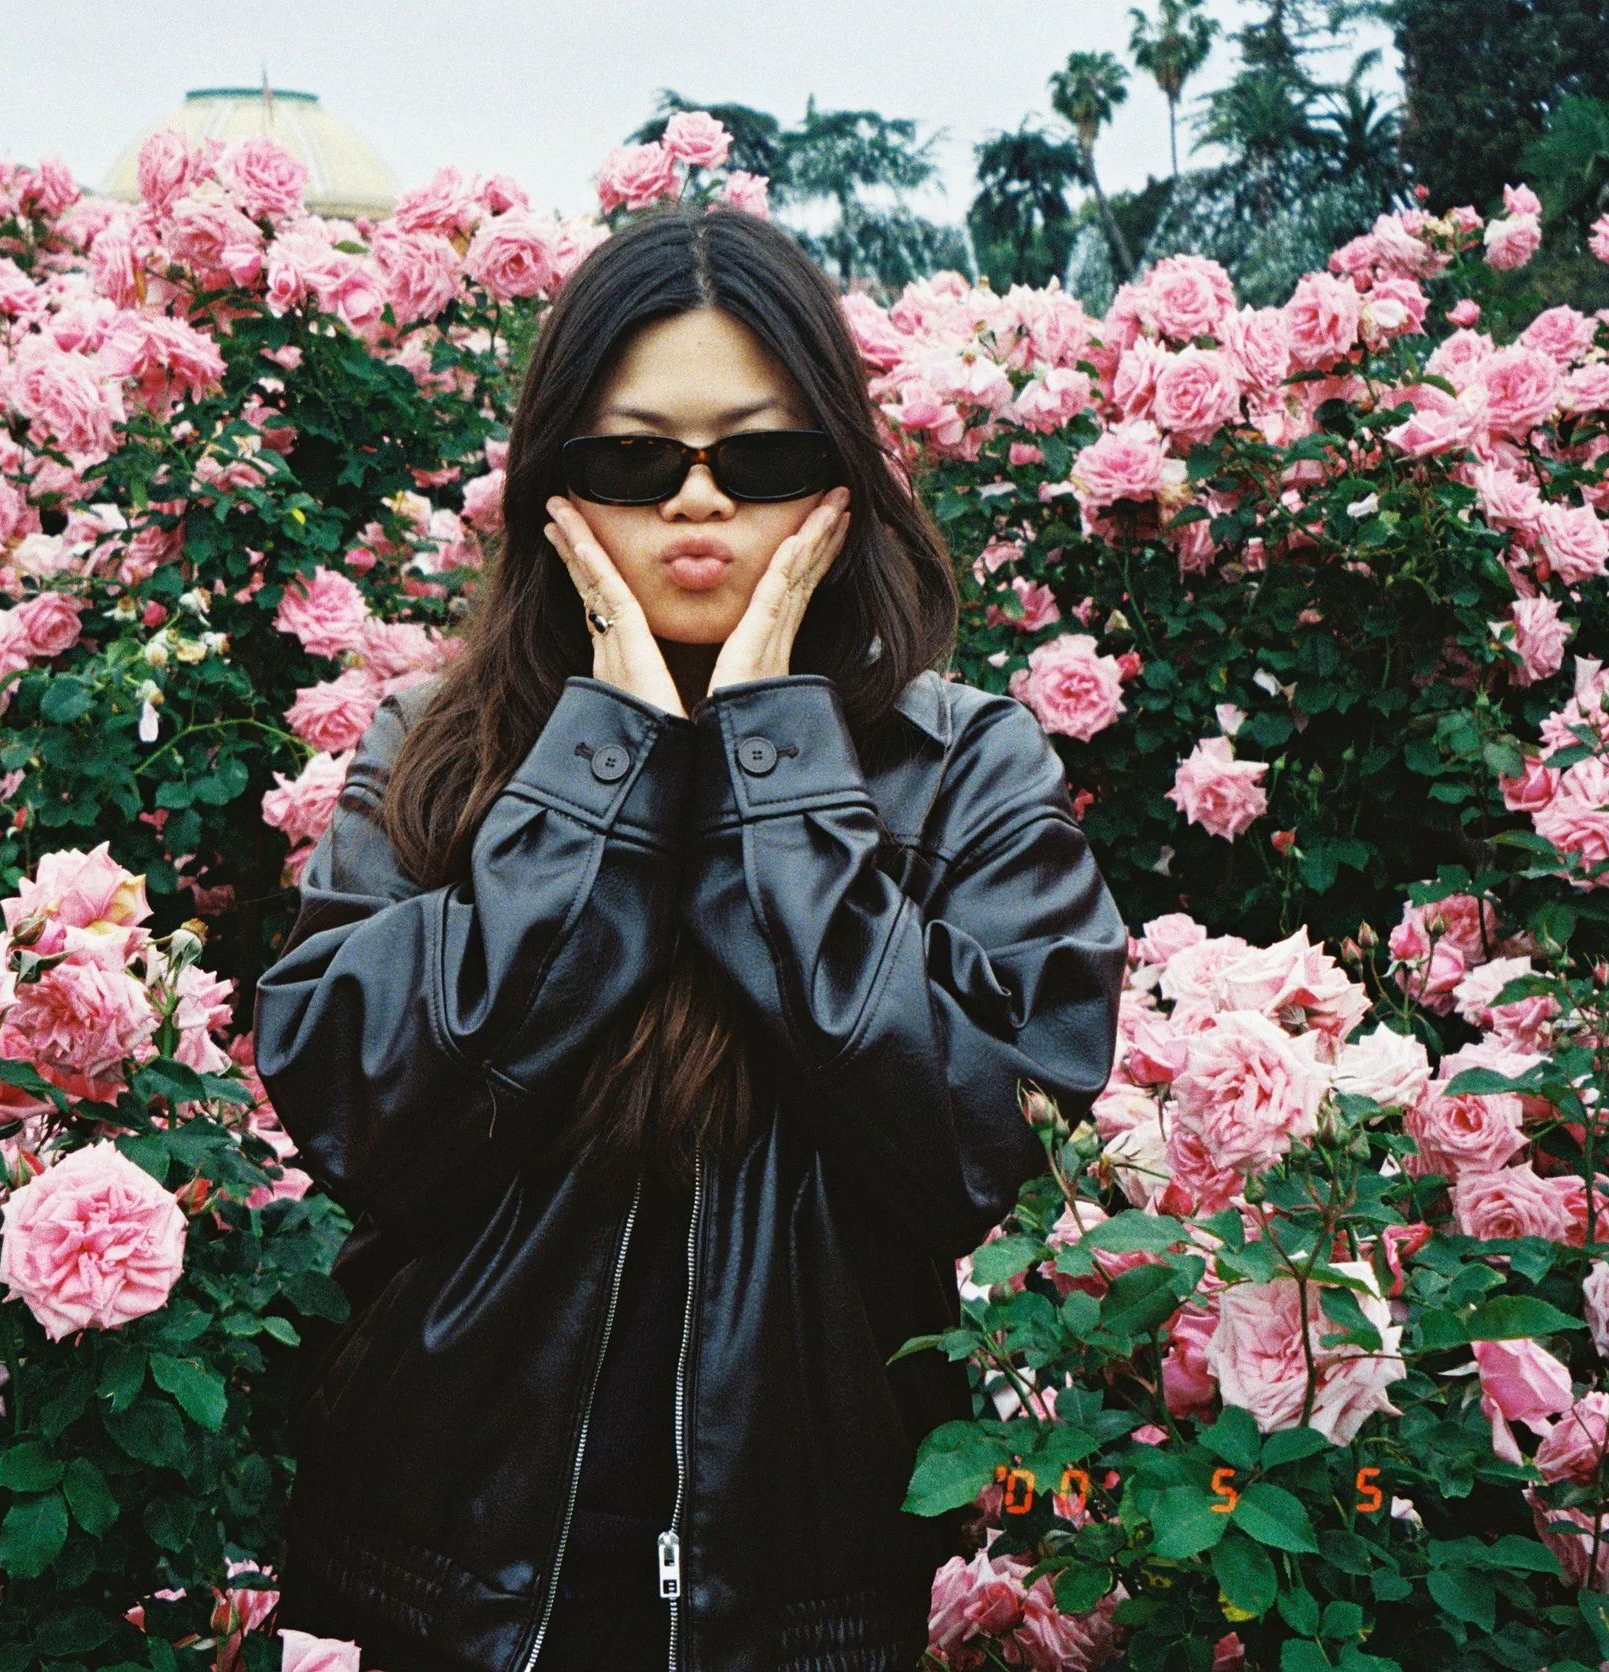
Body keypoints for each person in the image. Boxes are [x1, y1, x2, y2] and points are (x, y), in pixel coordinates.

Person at [256, 204, 1127, 1672]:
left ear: (838, 479)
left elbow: (978, 1148)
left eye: (765, 457)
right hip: (440, 1592)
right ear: (556, 484)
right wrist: (607, 757)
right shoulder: (434, 750)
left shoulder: (967, 769)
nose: (699, 506)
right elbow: (363, 1110)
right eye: (635, 460)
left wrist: (772, 761)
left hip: (796, 1608)